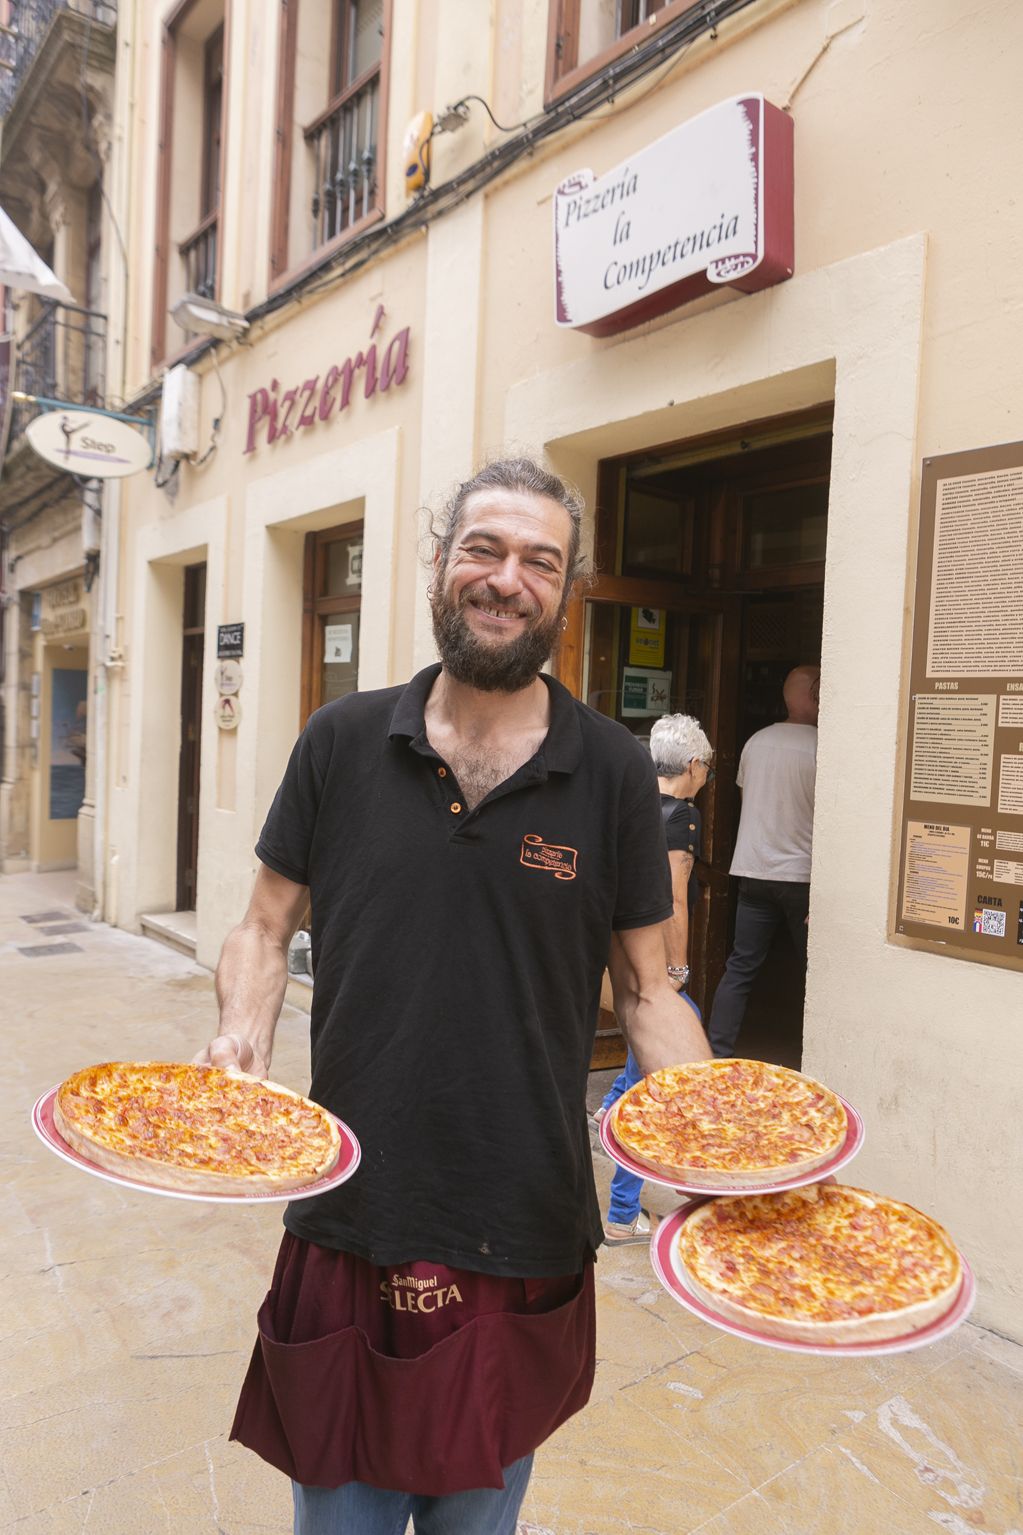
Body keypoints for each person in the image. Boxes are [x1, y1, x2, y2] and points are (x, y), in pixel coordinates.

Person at [195, 457, 711, 1535]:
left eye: (540, 560)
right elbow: (263, 922)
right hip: (349, 1211)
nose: (506, 577)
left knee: (479, 1523)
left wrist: (719, 1150)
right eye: (483, 547)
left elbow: (649, 988)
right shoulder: (341, 738)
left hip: (521, 1222)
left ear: (564, 593)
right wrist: (241, 1037)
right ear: (440, 563)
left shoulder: (613, 770)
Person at [597, 714, 715, 1244]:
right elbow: (673, 897)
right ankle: (623, 1212)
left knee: (638, 1077)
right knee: (660, 1088)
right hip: (652, 971)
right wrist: (676, 969)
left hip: (618, 958)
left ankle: (608, 1110)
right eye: (707, 767)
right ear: (693, 766)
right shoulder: (683, 816)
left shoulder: (634, 804)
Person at [707, 664, 820, 1059]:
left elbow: (746, 801)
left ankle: (716, 1053)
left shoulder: (757, 742)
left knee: (740, 967)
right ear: (817, 695)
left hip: (752, 869)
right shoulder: (823, 747)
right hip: (802, 877)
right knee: (818, 973)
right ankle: (817, 1058)